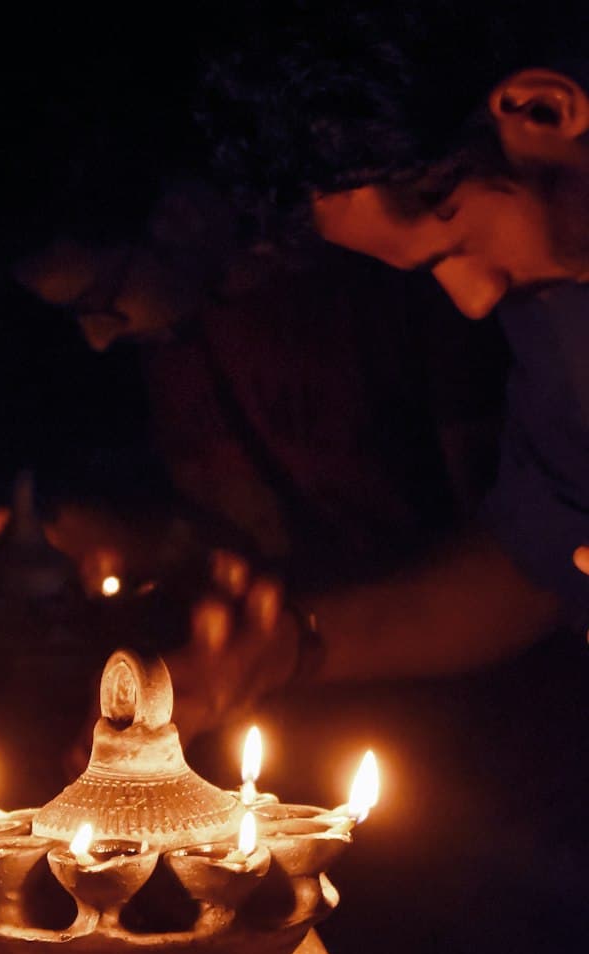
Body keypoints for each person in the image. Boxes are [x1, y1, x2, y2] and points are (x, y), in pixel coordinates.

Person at [177, 1, 588, 727]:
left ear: (544, 111)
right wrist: (293, 648)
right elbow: (537, 563)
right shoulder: (558, 314)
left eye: (456, 245)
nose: (473, 300)